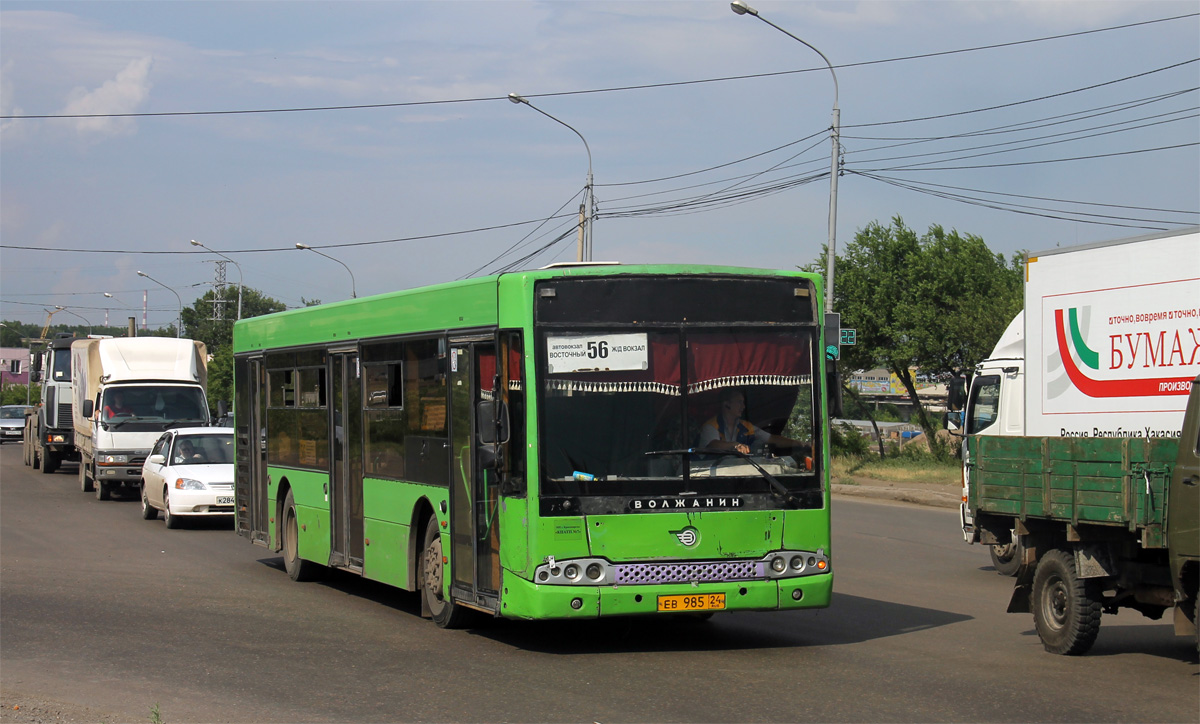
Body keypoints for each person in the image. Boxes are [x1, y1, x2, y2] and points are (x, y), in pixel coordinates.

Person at [697, 388, 809, 456]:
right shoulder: (710, 426)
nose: (743, 406)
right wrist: (735, 446)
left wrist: (803, 444)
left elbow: (773, 439)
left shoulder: (746, 426)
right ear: (727, 404)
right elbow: (713, 445)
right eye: (739, 402)